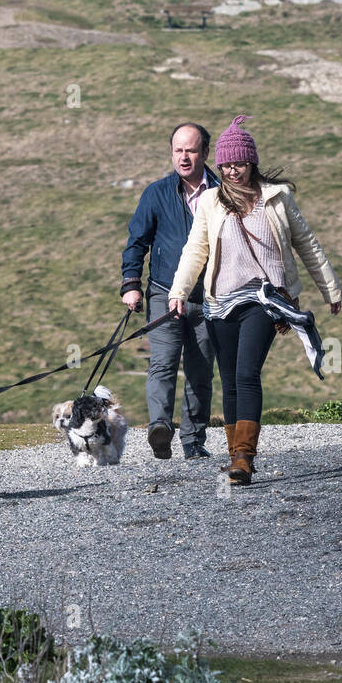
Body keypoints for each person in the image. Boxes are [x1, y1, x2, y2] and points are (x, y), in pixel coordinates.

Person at [167, 114, 342, 485]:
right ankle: (234, 457)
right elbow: (194, 250)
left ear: (253, 162)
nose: (233, 171)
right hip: (220, 303)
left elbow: (307, 244)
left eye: (240, 164)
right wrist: (179, 292)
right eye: (227, 165)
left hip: (265, 300)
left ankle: (245, 457)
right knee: (229, 377)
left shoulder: (277, 198)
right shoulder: (211, 202)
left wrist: (330, 288)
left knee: (247, 373)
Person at [120, 123, 219, 459]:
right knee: (162, 363)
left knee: (201, 371)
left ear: (206, 153)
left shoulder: (222, 192)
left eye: (191, 150)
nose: (184, 157)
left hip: (208, 299)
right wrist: (131, 286)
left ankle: (193, 441)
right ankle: (160, 428)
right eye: (178, 150)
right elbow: (137, 242)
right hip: (164, 293)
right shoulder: (157, 193)